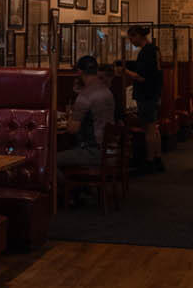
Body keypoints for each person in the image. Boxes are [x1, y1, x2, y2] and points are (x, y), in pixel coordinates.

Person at [116, 25, 165, 172]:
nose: (131, 41)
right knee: (154, 129)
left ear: (138, 36)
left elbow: (141, 77)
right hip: (154, 93)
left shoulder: (145, 52)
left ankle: (150, 161)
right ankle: (157, 159)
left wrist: (124, 71)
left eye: (132, 37)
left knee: (149, 129)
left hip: (146, 94)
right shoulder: (155, 50)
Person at [57, 56, 115, 176]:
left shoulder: (85, 96)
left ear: (79, 72)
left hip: (93, 152)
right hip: (110, 150)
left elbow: (72, 129)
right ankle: (80, 188)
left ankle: (69, 189)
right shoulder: (107, 91)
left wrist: (69, 119)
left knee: (49, 160)